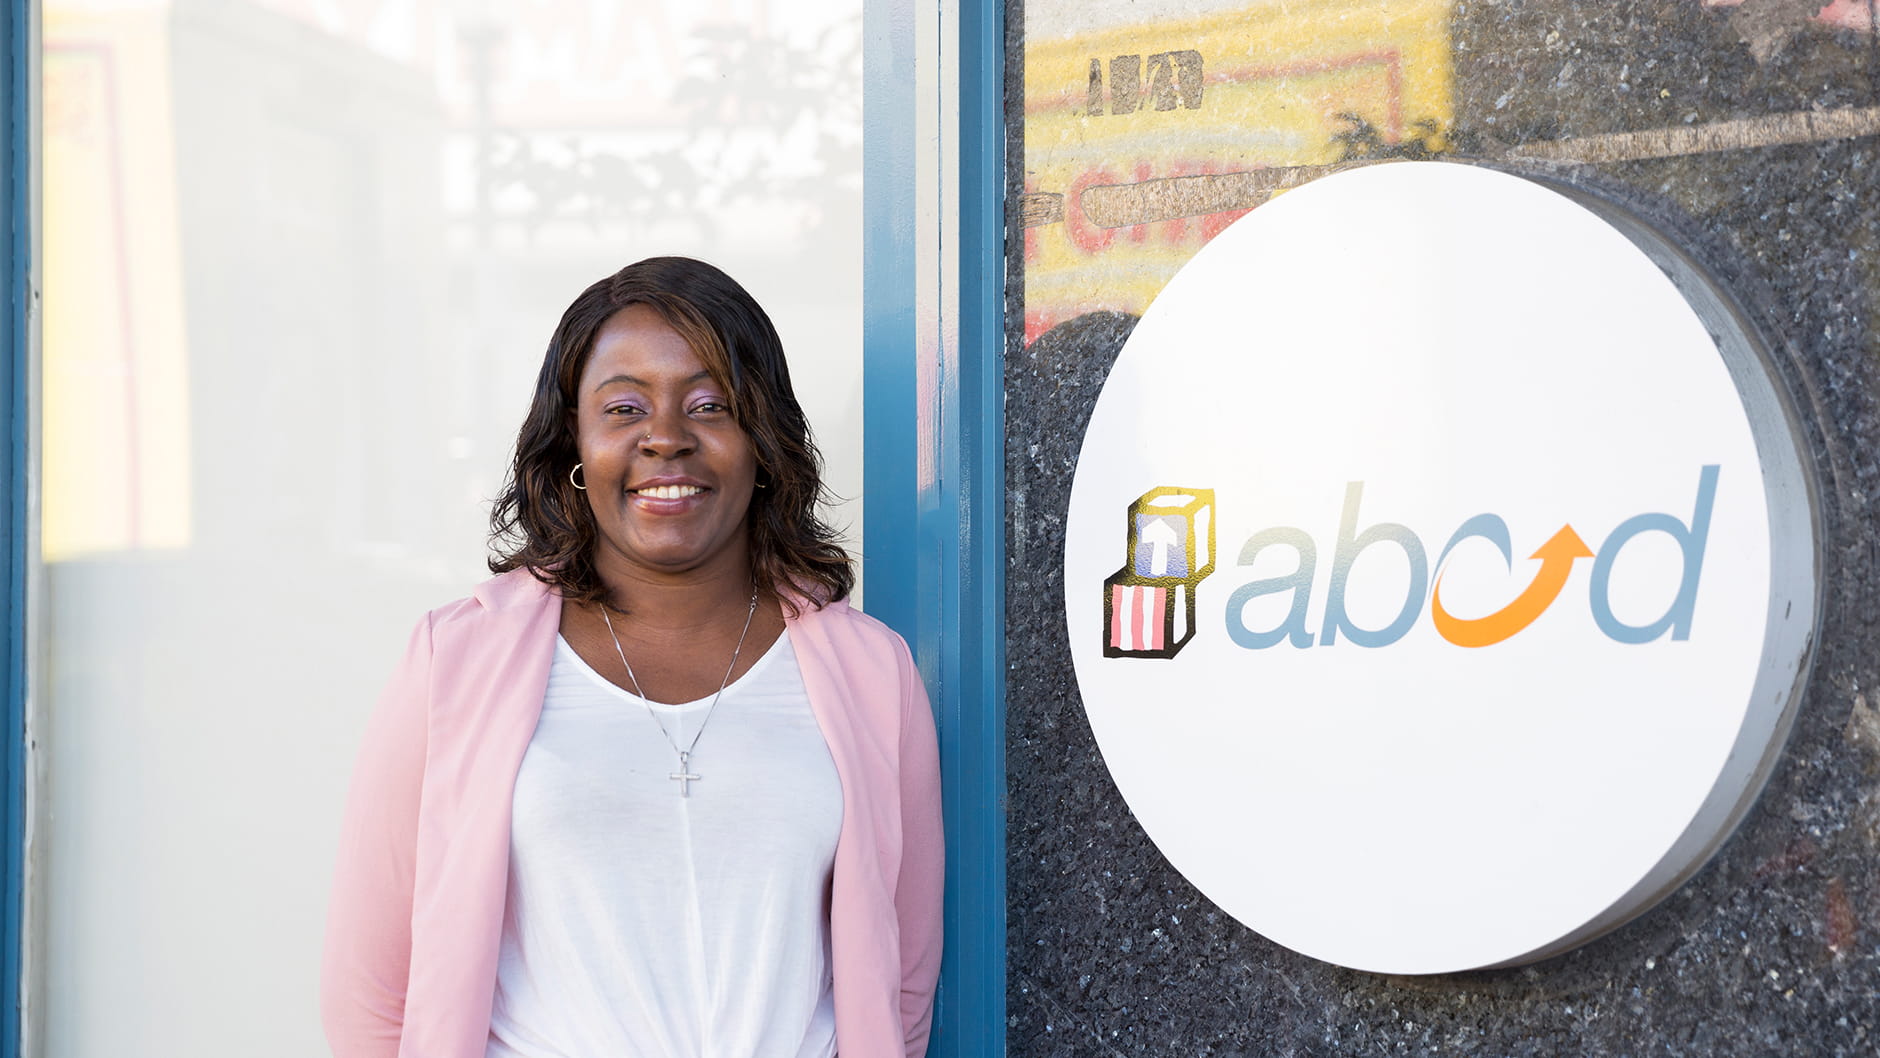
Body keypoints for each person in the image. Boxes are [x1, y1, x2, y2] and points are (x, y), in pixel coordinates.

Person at [320, 256, 944, 1058]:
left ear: (762, 441)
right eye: (624, 408)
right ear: (573, 446)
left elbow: (901, 986)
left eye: (710, 405)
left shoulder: (872, 674)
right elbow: (373, 994)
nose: (666, 438)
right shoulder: (455, 662)